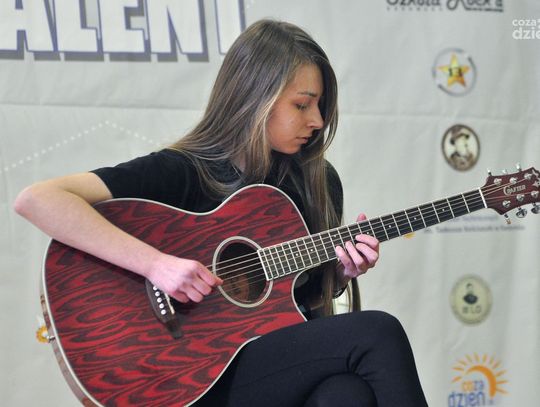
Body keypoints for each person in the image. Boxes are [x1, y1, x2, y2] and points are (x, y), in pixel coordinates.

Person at [14, 19, 427, 407]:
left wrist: (340, 273)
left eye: (321, 106)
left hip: (270, 366)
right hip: (192, 373)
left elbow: (303, 306)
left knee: (346, 395)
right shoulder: (185, 170)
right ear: (255, 98)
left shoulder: (317, 181)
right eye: (302, 105)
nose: (317, 120)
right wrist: (156, 265)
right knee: (377, 331)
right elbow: (39, 199)